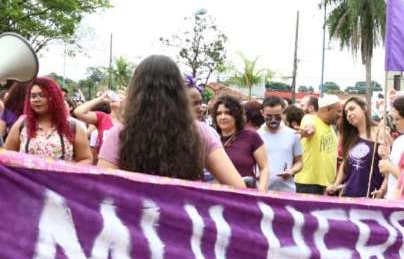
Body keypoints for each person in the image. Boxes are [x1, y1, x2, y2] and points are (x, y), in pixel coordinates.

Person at [97, 55, 244, 188]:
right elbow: (238, 187)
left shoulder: (120, 133)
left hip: (135, 215)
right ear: (180, 92)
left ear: (136, 92)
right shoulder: (200, 132)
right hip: (184, 215)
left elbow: (102, 188)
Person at [4, 77, 92, 164]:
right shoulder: (22, 125)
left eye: (42, 95)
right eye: (33, 96)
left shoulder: (73, 126)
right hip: (27, 178)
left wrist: (69, 174)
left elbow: (86, 159)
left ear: (54, 97)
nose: (36, 100)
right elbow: (6, 156)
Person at [327, 97, 387, 198]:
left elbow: (388, 168)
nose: (349, 114)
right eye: (346, 113)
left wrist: (382, 190)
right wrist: (336, 184)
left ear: (364, 108)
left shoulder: (381, 133)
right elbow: (345, 163)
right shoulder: (350, 136)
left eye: (352, 109)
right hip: (347, 195)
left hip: (370, 196)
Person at [211, 95, 269, 191]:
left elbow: (264, 167)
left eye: (228, 113)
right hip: (216, 196)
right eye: (218, 113)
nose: (223, 117)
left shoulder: (251, 136)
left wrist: (262, 192)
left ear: (237, 114)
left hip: (245, 196)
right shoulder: (211, 137)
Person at [295, 94, 340, 195]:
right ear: (328, 109)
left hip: (327, 185)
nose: (340, 115)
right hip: (309, 184)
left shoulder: (330, 127)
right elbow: (309, 126)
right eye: (338, 111)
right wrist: (308, 130)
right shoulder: (310, 118)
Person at [258, 96, 303, 192]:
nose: (273, 120)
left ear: (283, 113)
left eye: (277, 116)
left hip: (287, 191)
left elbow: (299, 162)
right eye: (269, 116)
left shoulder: (292, 134)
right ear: (262, 113)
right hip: (261, 190)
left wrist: (292, 171)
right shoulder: (256, 135)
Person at [378, 95, 404, 199]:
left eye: (397, 119)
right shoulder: (399, 141)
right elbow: (388, 175)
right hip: (391, 198)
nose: (394, 123)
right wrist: (385, 157)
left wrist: (389, 167)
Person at [73, 90, 125, 154]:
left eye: (121, 98)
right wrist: (101, 99)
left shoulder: (130, 121)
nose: (116, 98)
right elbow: (78, 112)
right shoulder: (103, 117)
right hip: (104, 161)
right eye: (116, 96)